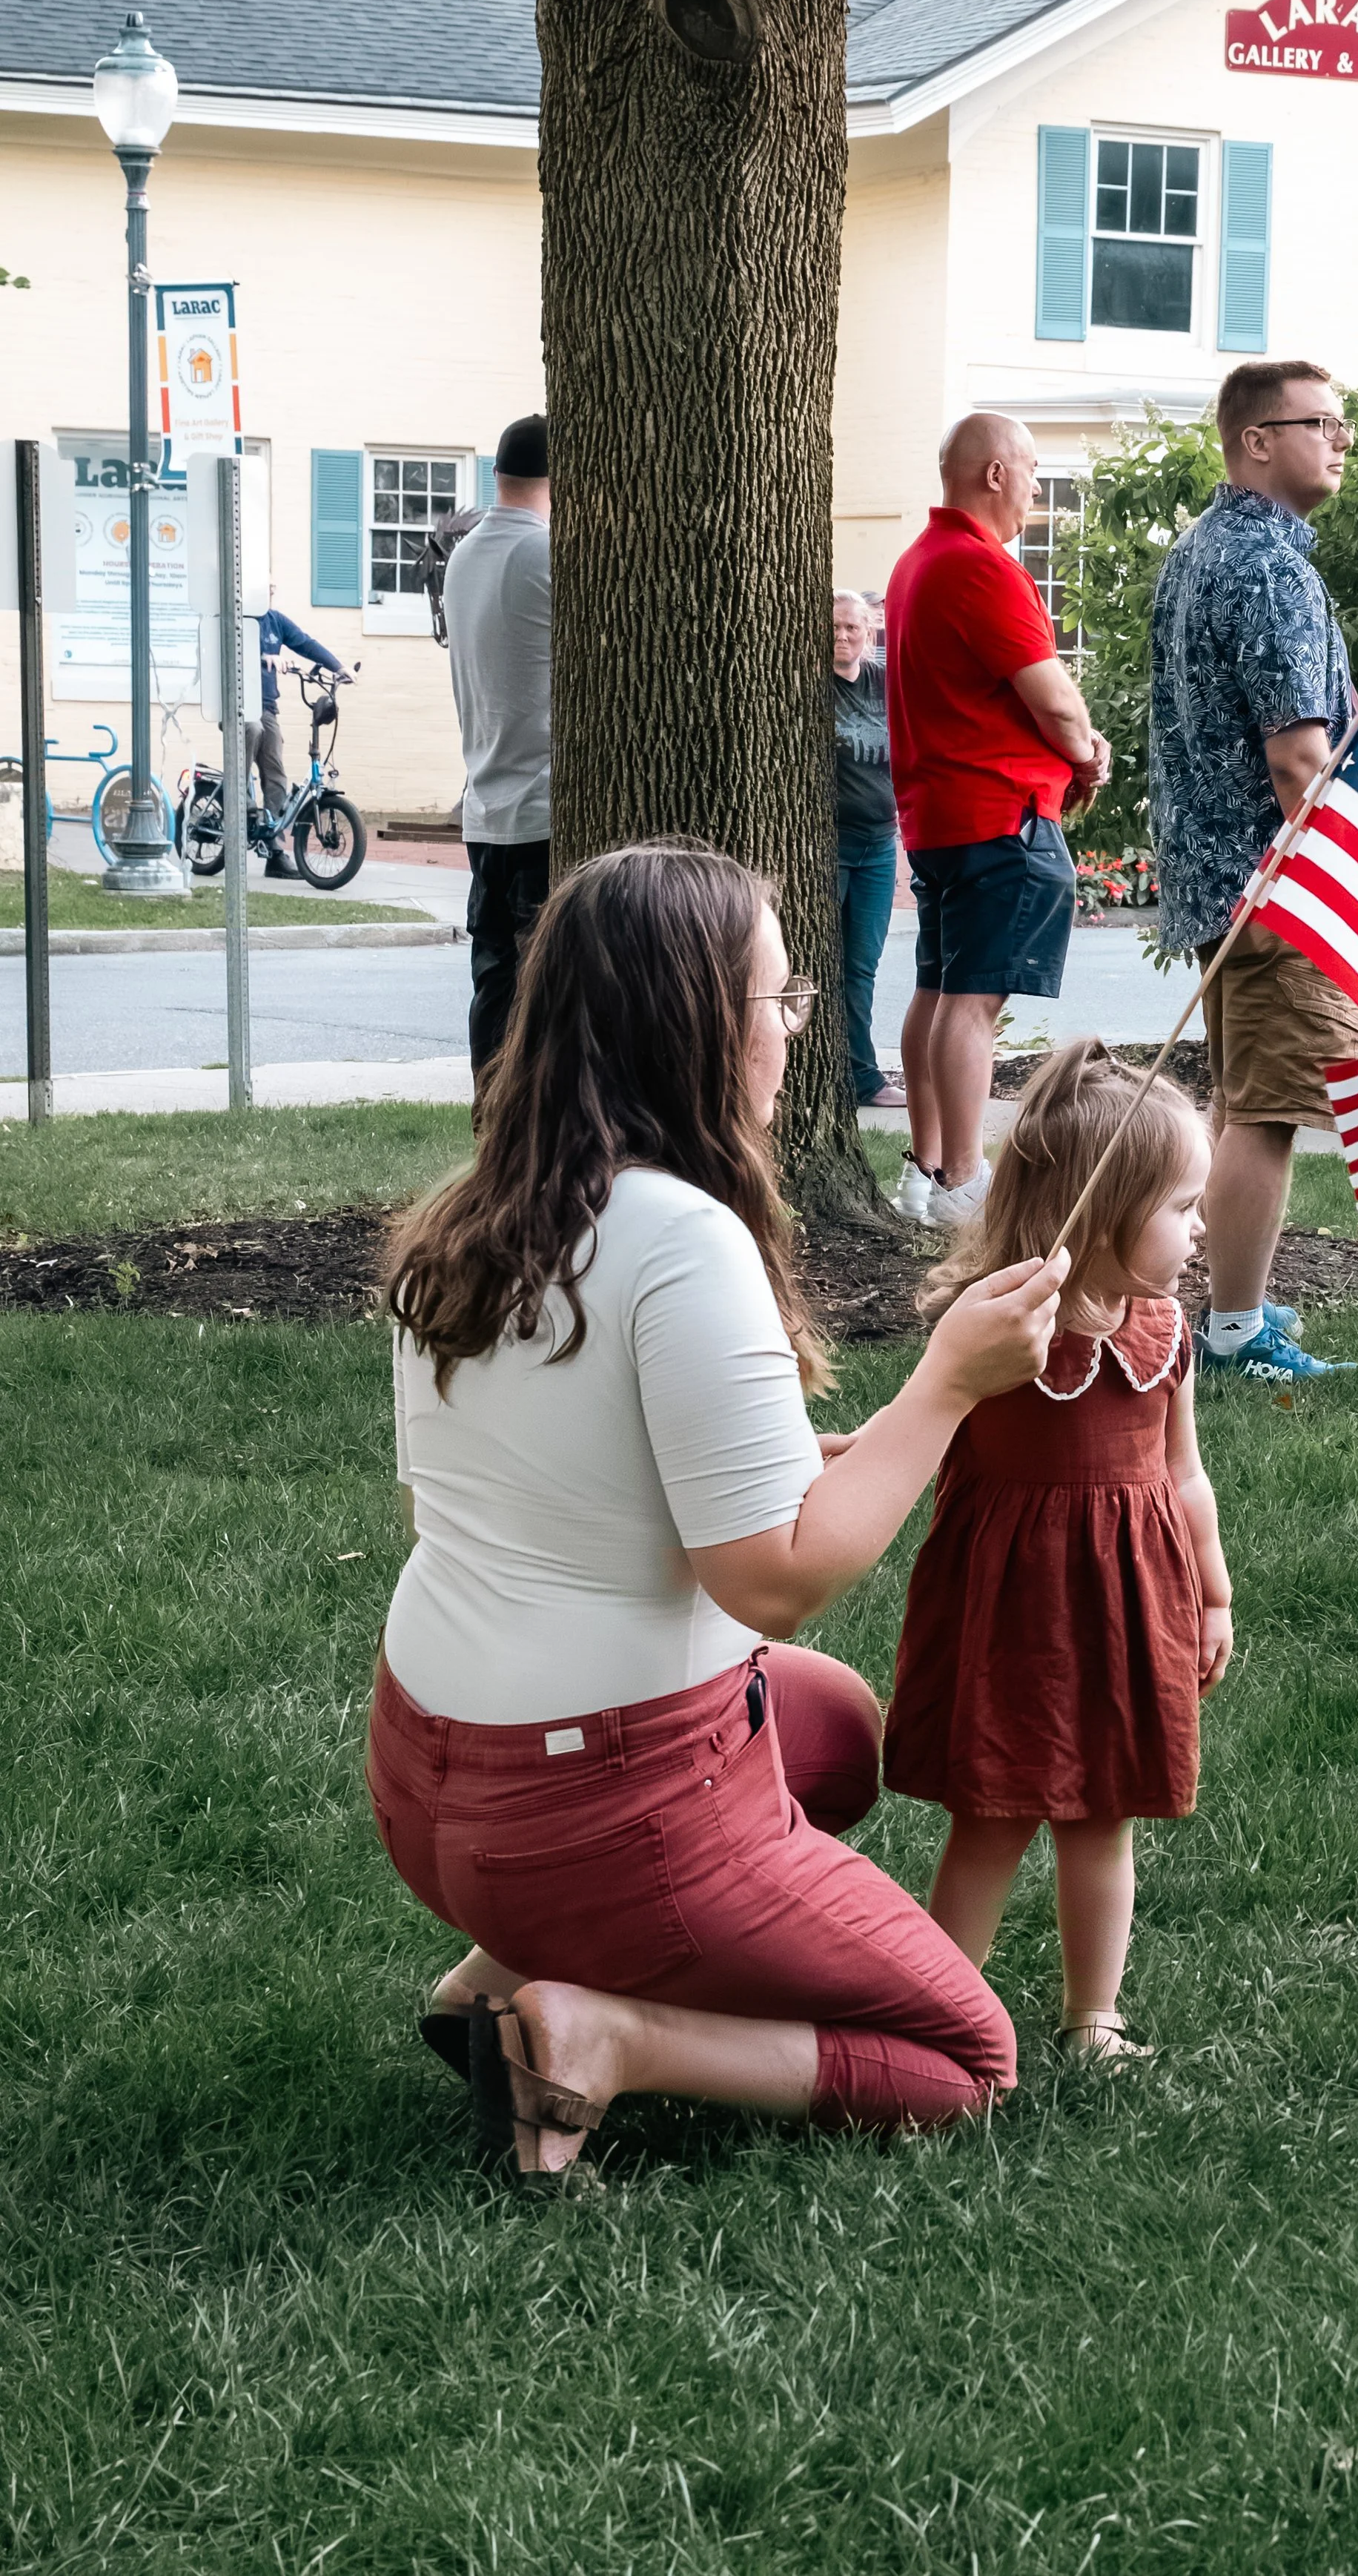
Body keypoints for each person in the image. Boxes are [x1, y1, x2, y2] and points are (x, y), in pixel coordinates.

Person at [370, 841, 1073, 2182]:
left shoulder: (474, 1216)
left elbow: (517, 1486)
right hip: (593, 1804)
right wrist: (950, 1385)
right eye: (779, 1000)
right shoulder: (683, 1239)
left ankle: (498, 1972)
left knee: (841, 1740)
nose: (793, 1031)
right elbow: (776, 1581)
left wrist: (770, 1451)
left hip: (428, 1779)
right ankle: (608, 2032)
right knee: (969, 2061)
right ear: (695, 1024)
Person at [884, 1041, 1231, 2061]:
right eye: (1181, 1206)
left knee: (1102, 1815)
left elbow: (1184, 1472)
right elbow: (917, 1435)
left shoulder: (1162, 1327)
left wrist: (1211, 1595)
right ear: (1096, 1206)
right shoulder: (996, 1331)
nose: (1200, 1225)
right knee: (992, 1814)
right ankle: (939, 2018)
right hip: (1013, 1613)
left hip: (1126, 1603)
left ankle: (1095, 2016)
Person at [1147, 359, 1358, 1390]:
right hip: (1276, 884)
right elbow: (1296, 757)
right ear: (1256, 439)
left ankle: (1232, 1297)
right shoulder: (1271, 568)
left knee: (1243, 1100)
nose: (1342, 439)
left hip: (1215, 876)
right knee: (1268, 1110)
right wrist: (1327, 875)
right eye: (1322, 421)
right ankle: (1234, 1328)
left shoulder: (1198, 551)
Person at [884, 413, 1111, 1229]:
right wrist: (1087, 753)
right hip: (996, 813)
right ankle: (964, 1183)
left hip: (942, 815)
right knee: (970, 1003)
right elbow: (1050, 696)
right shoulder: (981, 567)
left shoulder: (917, 563)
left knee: (940, 990)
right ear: (992, 474)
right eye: (1029, 471)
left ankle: (928, 1168)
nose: (1034, 490)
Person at [443, 412, 552, 1097]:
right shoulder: (542, 555)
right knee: (548, 1004)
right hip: (541, 807)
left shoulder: (465, 554)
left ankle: (493, 1137)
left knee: (495, 991)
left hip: (485, 805)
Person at [830, 588, 906, 1109]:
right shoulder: (811, 687)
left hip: (879, 846)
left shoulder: (885, 685)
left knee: (861, 965)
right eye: (833, 627)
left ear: (868, 634)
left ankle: (861, 1075)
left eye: (852, 628)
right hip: (830, 847)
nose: (841, 636)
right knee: (819, 958)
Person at [254, 592, 351, 879]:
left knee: (277, 776)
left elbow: (305, 643)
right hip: (239, 707)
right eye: (264, 586)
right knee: (253, 730)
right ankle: (245, 810)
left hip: (267, 707)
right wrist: (265, 657)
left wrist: (339, 667)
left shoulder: (275, 621)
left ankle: (272, 850)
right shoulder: (240, 619)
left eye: (271, 587)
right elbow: (228, 648)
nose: (269, 592)